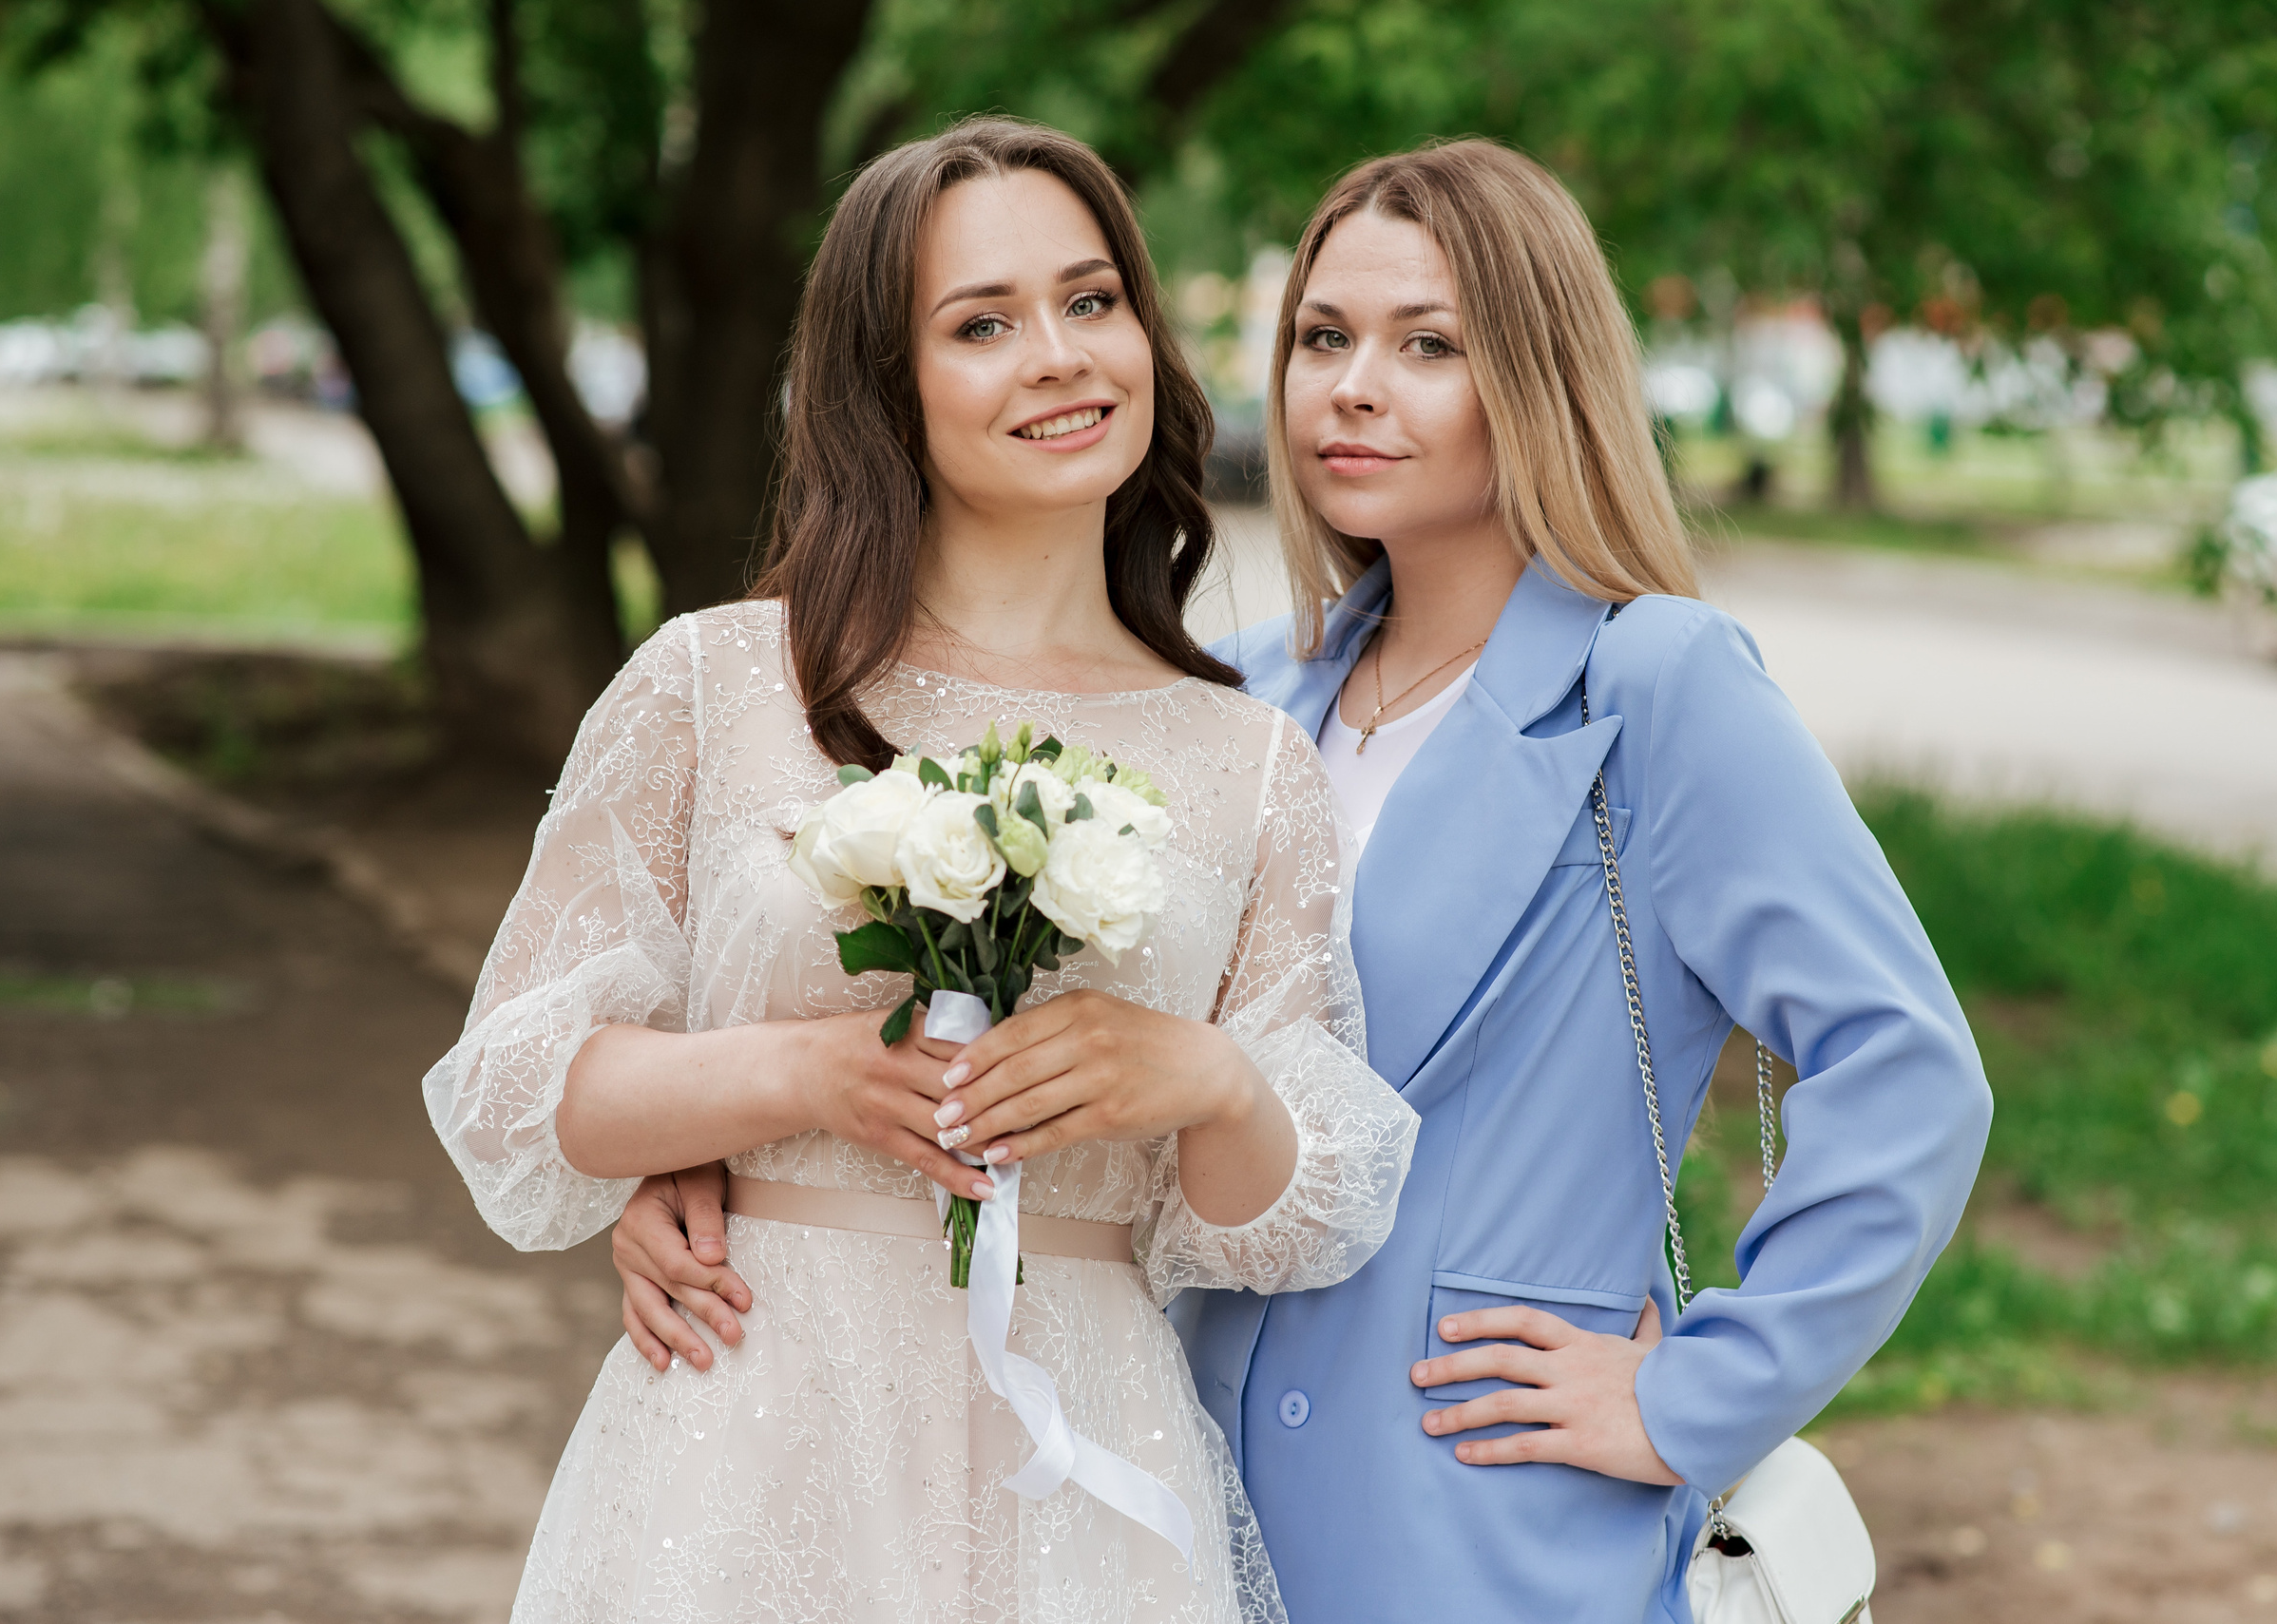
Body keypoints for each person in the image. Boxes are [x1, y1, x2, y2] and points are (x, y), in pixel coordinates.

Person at [615, 139, 1990, 1623]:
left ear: (1539, 375)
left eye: (1428, 345)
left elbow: (1907, 1071)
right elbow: (1054, 1052)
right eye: (1323, 337)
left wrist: (1699, 1392)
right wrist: (709, 1161)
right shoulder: (1248, 706)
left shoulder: (1649, 684)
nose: (1352, 386)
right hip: (1169, 1481)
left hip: (1483, 1510)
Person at [423, 116, 1416, 1624]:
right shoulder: (719, 682)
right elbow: (518, 1088)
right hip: (753, 1432)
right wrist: (804, 1076)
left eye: (1093, 303)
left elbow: (1282, 1221)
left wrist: (1207, 1078)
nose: (1062, 356)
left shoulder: (1248, 758)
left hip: (1085, 1456)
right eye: (982, 324)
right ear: (889, 389)